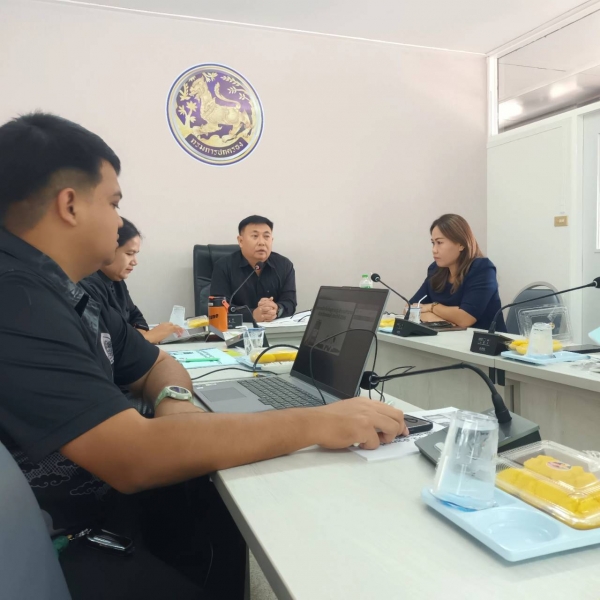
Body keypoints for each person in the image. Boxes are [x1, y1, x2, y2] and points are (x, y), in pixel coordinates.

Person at [0, 113, 408, 599]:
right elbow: (133, 456)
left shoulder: (73, 293)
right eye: (113, 203)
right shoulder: (18, 299)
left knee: (220, 504)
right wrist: (319, 422)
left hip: (101, 508)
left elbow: (156, 362)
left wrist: (173, 403)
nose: (119, 222)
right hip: (61, 538)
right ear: (69, 205)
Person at [83, 218, 184, 344]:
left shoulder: (116, 280)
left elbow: (135, 315)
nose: (135, 262)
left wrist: (140, 336)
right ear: (107, 248)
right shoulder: (87, 286)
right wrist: (147, 339)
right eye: (129, 253)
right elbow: (104, 340)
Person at [409, 214, 506, 331]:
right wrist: (438, 321)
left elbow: (465, 319)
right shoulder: (435, 269)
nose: (434, 250)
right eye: (433, 243)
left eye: (439, 242)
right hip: (445, 338)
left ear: (461, 244)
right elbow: (409, 309)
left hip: (483, 341)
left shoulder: (482, 269)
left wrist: (432, 307)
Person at [210, 215, 296, 322]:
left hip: (275, 329)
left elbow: (290, 302)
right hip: (238, 330)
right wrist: (252, 315)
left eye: (266, 236)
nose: (262, 242)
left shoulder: (285, 265)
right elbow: (219, 307)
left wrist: (276, 309)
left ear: (272, 240)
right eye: (255, 236)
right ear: (241, 241)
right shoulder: (223, 266)